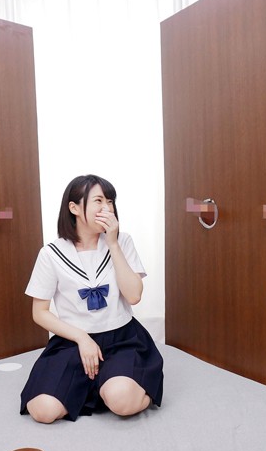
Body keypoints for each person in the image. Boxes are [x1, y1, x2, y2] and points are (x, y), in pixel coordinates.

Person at [20, 174, 164, 423]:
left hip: (122, 339)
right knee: (43, 411)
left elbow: (134, 296)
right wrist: (81, 337)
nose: (107, 208)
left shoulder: (122, 241)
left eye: (110, 201)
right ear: (74, 208)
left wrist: (113, 244)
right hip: (73, 340)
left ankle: (120, 385)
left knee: (122, 401)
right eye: (99, 201)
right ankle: (98, 385)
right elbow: (39, 312)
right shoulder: (51, 254)